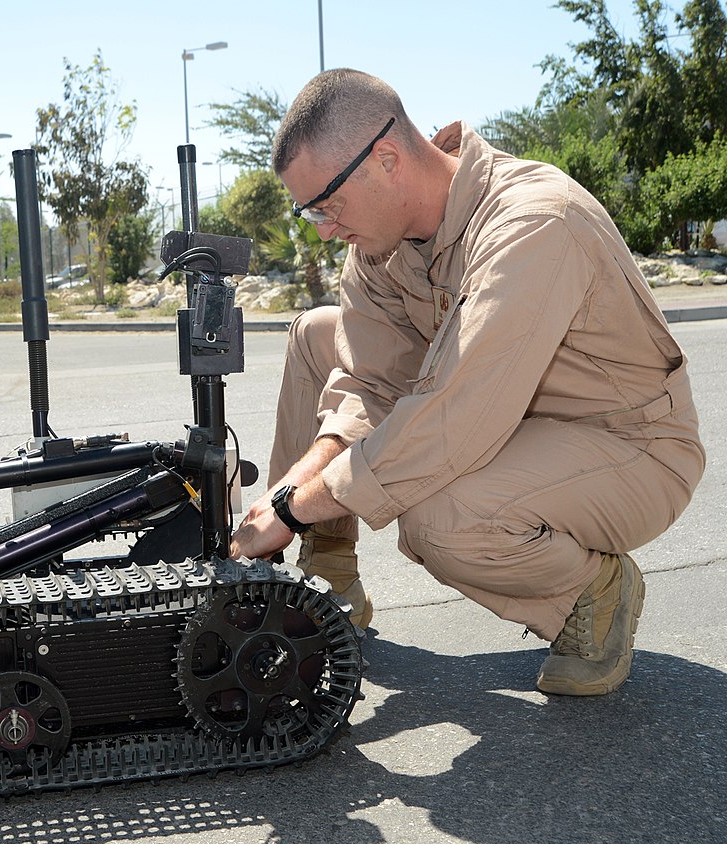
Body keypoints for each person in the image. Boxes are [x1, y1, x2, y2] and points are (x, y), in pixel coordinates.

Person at [230, 69, 705, 696]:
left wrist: (294, 507)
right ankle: (328, 574)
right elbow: (367, 382)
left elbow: (454, 421)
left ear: (388, 159)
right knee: (319, 332)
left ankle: (590, 592)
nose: (322, 227)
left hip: (627, 443)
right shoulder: (378, 245)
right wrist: (296, 488)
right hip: (503, 417)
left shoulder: (534, 223)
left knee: (437, 517)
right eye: (309, 210)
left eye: (327, 204)